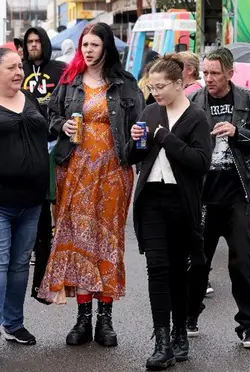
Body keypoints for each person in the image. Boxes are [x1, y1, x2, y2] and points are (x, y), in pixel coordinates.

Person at [40, 22, 144, 347]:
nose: (88, 49)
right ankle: (83, 318)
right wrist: (63, 124)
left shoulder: (126, 85)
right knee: (81, 239)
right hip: (75, 169)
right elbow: (49, 116)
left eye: (94, 45)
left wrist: (139, 138)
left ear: (107, 48)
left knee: (108, 241)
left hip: (114, 171)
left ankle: (106, 319)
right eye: (85, 44)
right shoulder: (69, 82)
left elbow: (141, 126)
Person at [128, 55, 212, 369]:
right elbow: (131, 155)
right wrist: (136, 143)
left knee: (179, 271)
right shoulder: (149, 111)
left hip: (181, 200)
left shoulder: (197, 117)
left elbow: (200, 162)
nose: (156, 92)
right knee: (157, 269)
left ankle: (180, 333)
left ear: (180, 84)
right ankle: (162, 340)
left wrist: (164, 137)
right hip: (151, 199)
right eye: (152, 86)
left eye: (161, 86)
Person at [187, 48, 250, 349]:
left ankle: (248, 327)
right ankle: (189, 316)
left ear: (230, 73)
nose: (209, 79)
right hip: (204, 196)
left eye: (215, 73)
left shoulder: (247, 99)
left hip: (237, 195)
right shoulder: (193, 101)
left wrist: (236, 132)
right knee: (197, 263)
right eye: (205, 73)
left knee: (242, 263)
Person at [0, 47, 50, 346]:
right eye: (12, 68)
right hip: (1, 201)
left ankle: (13, 324)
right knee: (1, 267)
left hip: (32, 202)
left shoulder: (29, 99)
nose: (19, 72)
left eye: (20, 66)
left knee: (20, 267)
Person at [20, 27, 67, 307]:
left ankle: (46, 279)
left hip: (54, 143)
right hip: (29, 146)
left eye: (38, 41)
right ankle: (39, 282)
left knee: (56, 204)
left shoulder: (58, 69)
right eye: (30, 42)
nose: (34, 45)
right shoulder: (19, 69)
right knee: (38, 214)